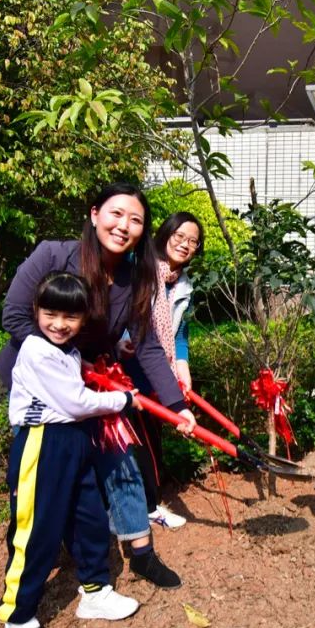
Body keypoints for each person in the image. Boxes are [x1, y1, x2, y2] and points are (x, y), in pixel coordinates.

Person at [0, 182, 196, 591]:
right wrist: (74, 362)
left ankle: (141, 552)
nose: (124, 226)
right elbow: (15, 318)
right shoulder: (53, 254)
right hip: (43, 384)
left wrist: (177, 405)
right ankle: (33, 548)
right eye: (116, 214)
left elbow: (149, 346)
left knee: (120, 458)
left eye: (136, 220)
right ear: (94, 214)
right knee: (42, 472)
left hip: (97, 382)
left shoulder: (137, 277)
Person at [0, 272, 142, 628]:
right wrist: (123, 400)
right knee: (36, 530)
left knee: (90, 519)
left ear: (83, 319)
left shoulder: (68, 353)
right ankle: (18, 620)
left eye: (70, 317)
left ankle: (95, 590)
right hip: (43, 444)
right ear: (36, 311)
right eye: (50, 313)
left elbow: (76, 382)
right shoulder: (35, 349)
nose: (59, 324)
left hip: (75, 443)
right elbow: (76, 401)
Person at [123, 211, 205, 530]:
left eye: (193, 241)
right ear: (164, 235)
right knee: (140, 438)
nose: (185, 245)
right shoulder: (140, 269)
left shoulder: (182, 284)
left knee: (150, 437)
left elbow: (179, 331)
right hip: (129, 366)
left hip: (159, 368)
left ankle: (148, 501)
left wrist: (181, 366)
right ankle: (150, 505)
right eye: (179, 236)